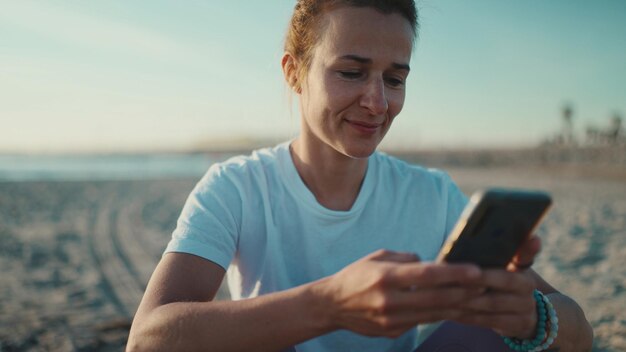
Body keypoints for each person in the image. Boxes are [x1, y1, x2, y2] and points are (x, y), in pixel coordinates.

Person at [127, 1, 593, 351]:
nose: (377, 102)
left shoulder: (431, 195)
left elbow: (580, 330)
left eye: (395, 79)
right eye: (351, 72)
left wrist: (531, 318)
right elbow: (148, 339)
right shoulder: (237, 189)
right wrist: (330, 304)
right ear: (294, 72)